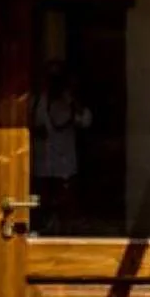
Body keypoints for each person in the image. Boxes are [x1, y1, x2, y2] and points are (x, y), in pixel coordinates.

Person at [31, 63, 93, 223]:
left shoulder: (69, 102)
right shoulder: (37, 100)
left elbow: (86, 121)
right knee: (41, 205)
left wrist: (73, 103)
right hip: (41, 165)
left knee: (65, 207)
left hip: (64, 165)